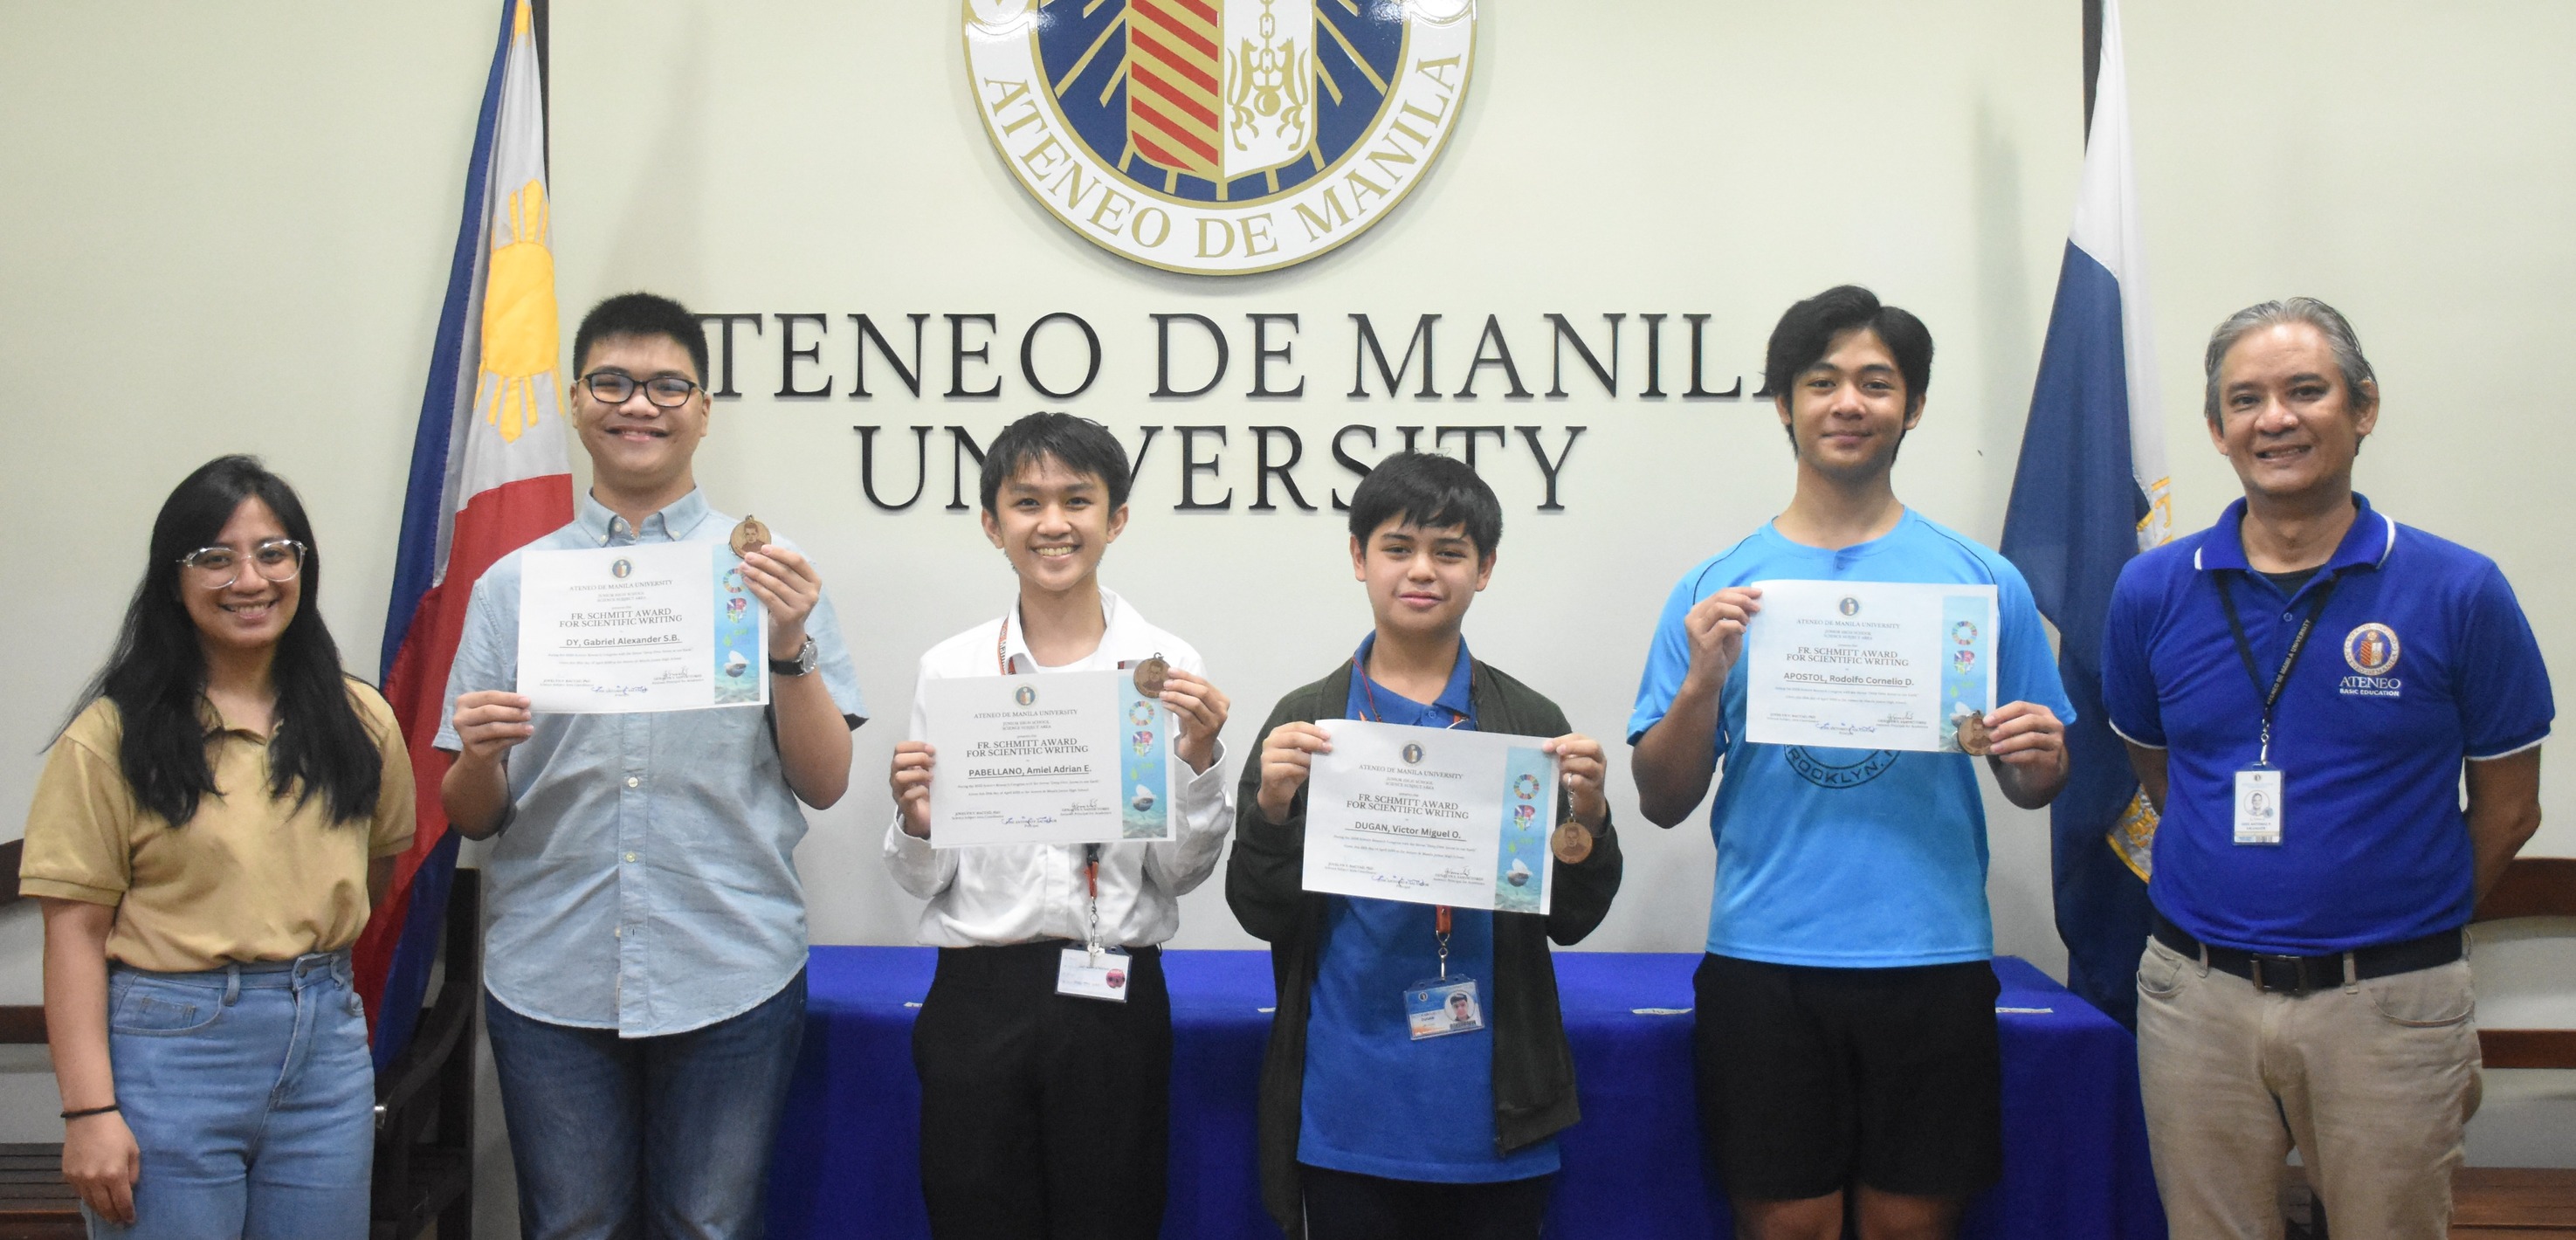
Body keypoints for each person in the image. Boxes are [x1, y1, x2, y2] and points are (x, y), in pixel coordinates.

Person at [1627, 286, 2071, 1240]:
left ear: (1911, 407)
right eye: (1820, 381)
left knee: (1911, 1229)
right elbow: (1661, 798)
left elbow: (2033, 785)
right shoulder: (1714, 588)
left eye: (1876, 383)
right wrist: (1702, 681)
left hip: (1932, 954)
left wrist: (2039, 751)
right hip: (1764, 958)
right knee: (1787, 1228)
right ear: (1783, 403)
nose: (1847, 402)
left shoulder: (1982, 582)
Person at [2102, 298, 2549, 1239]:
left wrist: (2396, 922)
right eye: (2246, 399)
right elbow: (2159, 768)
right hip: (2196, 995)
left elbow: (2509, 808)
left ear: (2363, 409)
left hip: (2388, 1003)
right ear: (2217, 429)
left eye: (2306, 391)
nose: (2276, 419)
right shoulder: (2150, 591)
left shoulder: (2459, 589)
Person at [440, 292, 866, 1237]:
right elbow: (473, 814)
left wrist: (787, 644)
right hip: (552, 965)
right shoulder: (515, 586)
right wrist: (477, 755)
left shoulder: (767, 576)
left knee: (707, 1226)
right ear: (576, 401)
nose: (642, 404)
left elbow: (827, 781)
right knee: (570, 1227)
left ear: (703, 409)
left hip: (729, 961)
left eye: (669, 385)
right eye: (614, 383)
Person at [1229, 451, 1625, 1240]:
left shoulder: (1527, 722)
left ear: (1485, 570)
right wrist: (1273, 808)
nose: (1422, 571)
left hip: (1493, 1109)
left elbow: (1571, 918)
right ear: (1358, 558)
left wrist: (1593, 819)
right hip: (1347, 1104)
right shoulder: (1309, 719)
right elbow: (1259, 912)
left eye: (1450, 552)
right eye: (1397, 547)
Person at [21, 455, 415, 1233]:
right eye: (215, 558)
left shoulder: (359, 719)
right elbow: (73, 937)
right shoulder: (111, 736)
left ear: (303, 566)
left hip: (325, 1051)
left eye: (274, 552)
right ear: (173, 580)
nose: (251, 578)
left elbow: (376, 868)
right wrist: (87, 1110)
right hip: (171, 1053)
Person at [885, 411, 1234, 1240]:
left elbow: (1178, 873)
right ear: (991, 523)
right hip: (978, 995)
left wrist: (1200, 759)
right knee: (974, 1219)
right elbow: (917, 877)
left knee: (1112, 1220)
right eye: (1026, 502)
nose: (1052, 523)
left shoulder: (1166, 667)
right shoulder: (953, 669)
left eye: (1077, 500)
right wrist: (921, 822)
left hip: (1112, 991)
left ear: (1114, 519)